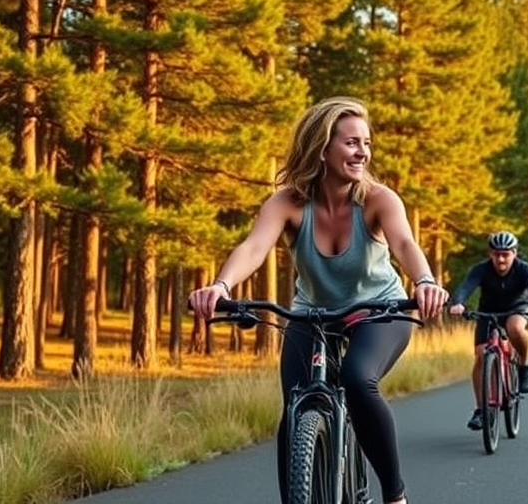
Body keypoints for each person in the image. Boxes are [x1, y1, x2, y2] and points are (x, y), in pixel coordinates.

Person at [187, 96, 447, 504]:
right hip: (313, 314)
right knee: (294, 410)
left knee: (359, 381)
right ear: (322, 147)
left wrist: (426, 281)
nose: (363, 152)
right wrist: (221, 286)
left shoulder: (379, 199)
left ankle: (394, 495)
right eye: (351, 142)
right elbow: (254, 248)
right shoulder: (287, 202)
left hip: (380, 309)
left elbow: (404, 243)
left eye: (367, 143)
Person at [448, 231, 528, 431]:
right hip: (488, 312)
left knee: (515, 328)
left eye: (506, 254)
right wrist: (457, 303)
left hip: (517, 309)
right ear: (490, 254)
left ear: (514, 253)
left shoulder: (523, 269)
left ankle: (524, 368)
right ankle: (481, 410)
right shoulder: (481, 270)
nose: (501, 259)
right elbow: (466, 287)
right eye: (496, 254)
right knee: (481, 355)